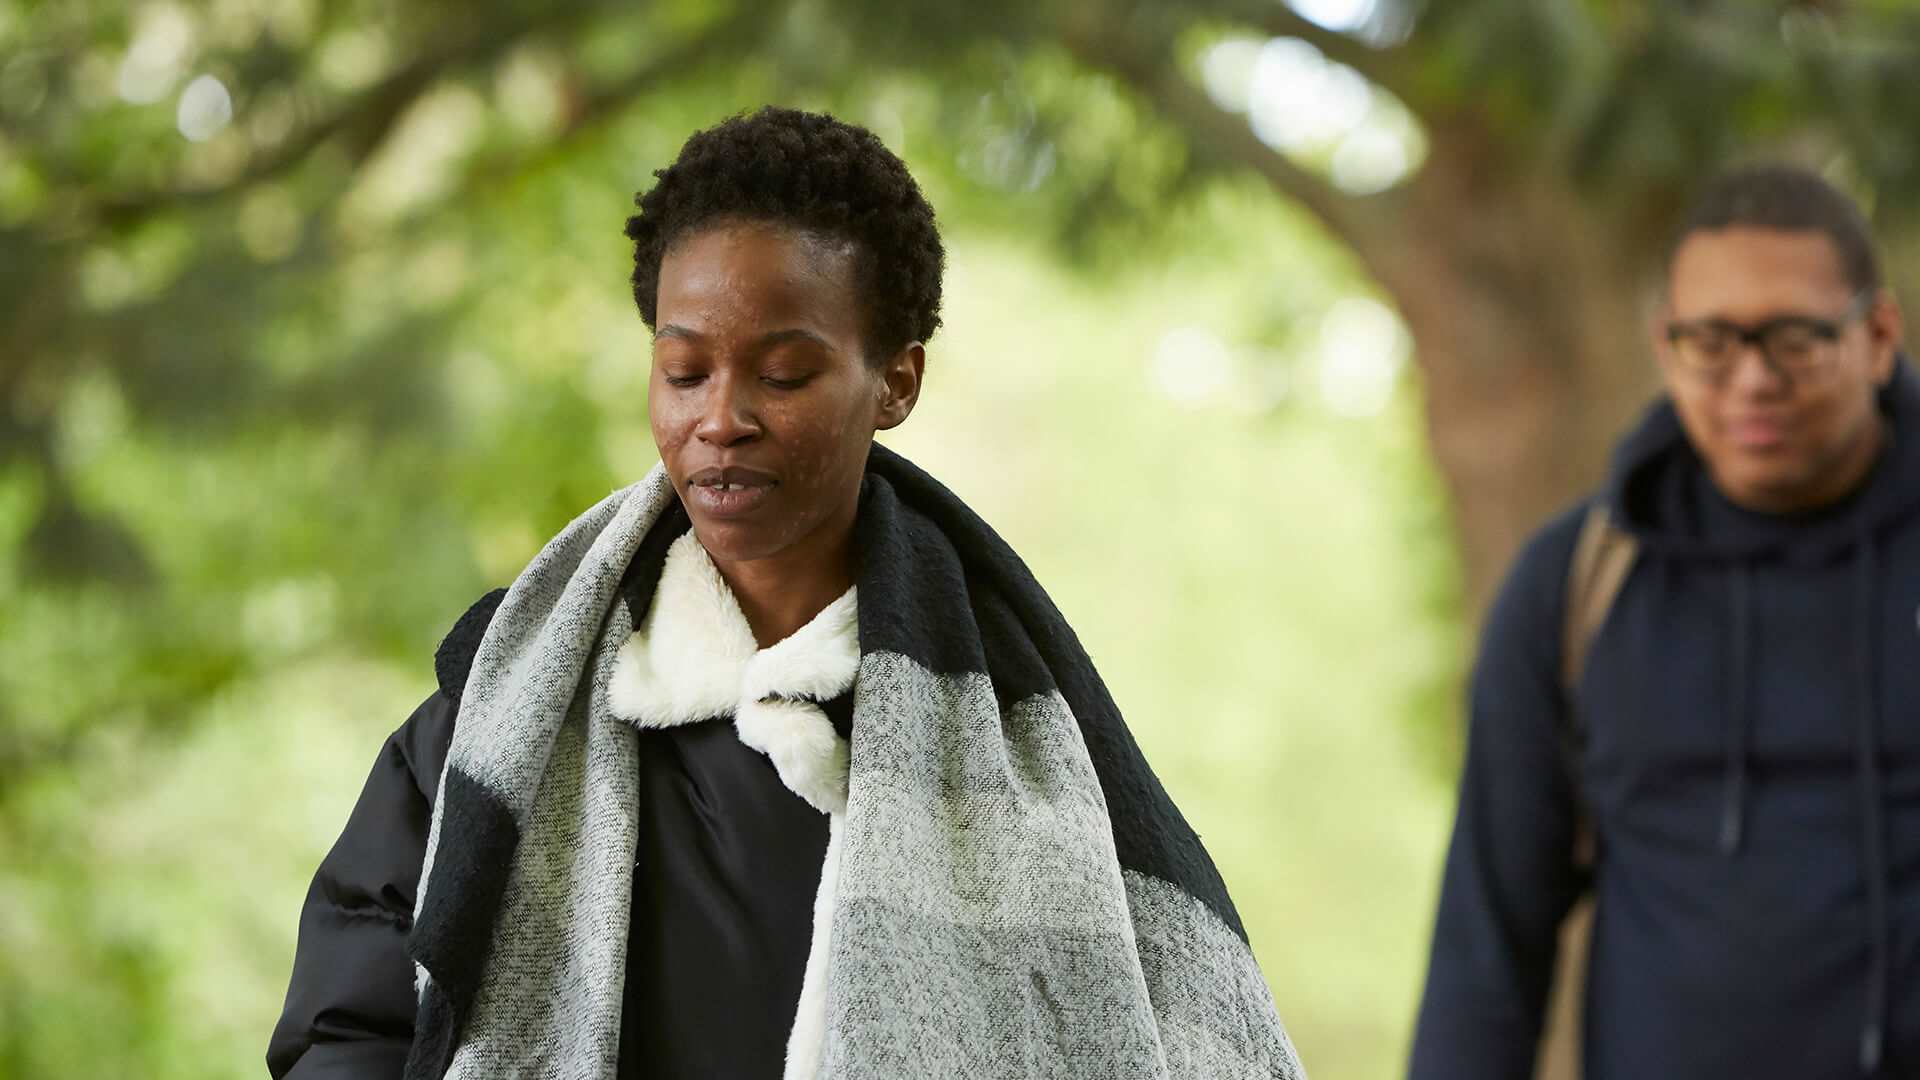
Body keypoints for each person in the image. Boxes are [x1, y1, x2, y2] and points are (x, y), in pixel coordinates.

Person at [267, 106, 1305, 1080]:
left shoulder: (1022, 750)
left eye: (785, 373)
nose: (722, 418)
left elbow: (1181, 1024)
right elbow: (349, 1020)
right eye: (684, 372)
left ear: (895, 381)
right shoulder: (503, 701)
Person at [1408, 162, 1918, 1079]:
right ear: (1665, 346)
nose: (1754, 379)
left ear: (1879, 336)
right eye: (1712, 341)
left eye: (1797, 338)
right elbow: (1486, 954)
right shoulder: (1578, 583)